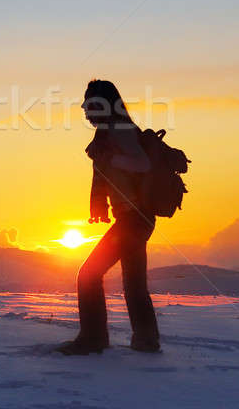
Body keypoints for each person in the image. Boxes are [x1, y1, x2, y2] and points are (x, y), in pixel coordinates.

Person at [56, 79, 160, 355]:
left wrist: (112, 159)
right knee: (134, 285)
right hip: (133, 217)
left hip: (134, 218)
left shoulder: (120, 130)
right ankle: (147, 342)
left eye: (89, 104)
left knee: (88, 275)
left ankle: (93, 339)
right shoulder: (109, 133)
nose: (84, 109)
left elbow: (143, 163)